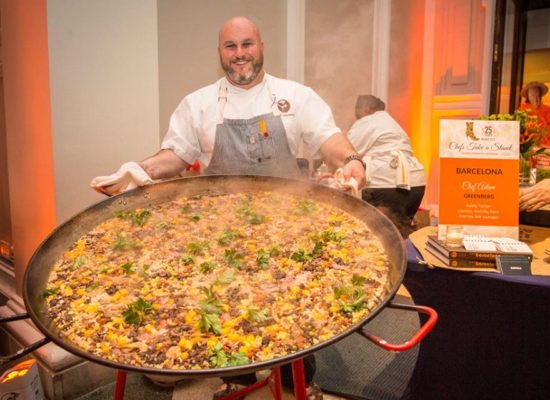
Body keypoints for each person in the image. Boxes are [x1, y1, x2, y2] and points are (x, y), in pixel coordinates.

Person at [92, 15, 365, 400]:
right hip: (219, 232)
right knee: (230, 308)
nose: (240, 55)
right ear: (220, 52)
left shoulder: (294, 95)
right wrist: (140, 169)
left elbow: (329, 138)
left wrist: (352, 160)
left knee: (292, 308)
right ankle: (236, 377)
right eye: (231, 46)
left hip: (288, 226)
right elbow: (175, 154)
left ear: (261, 47)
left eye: (247, 44)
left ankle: (294, 379)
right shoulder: (199, 103)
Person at [346, 95, 425, 237]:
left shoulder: (367, 122)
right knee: (402, 233)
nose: (355, 112)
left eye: (357, 108)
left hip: (387, 185)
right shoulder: (392, 123)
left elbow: (348, 152)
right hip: (416, 185)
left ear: (365, 108)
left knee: (378, 235)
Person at [518, 81, 550, 147]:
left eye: (537, 95)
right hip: (529, 146)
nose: (535, 98)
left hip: (546, 146)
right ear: (528, 97)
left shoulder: (548, 110)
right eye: (532, 95)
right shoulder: (522, 111)